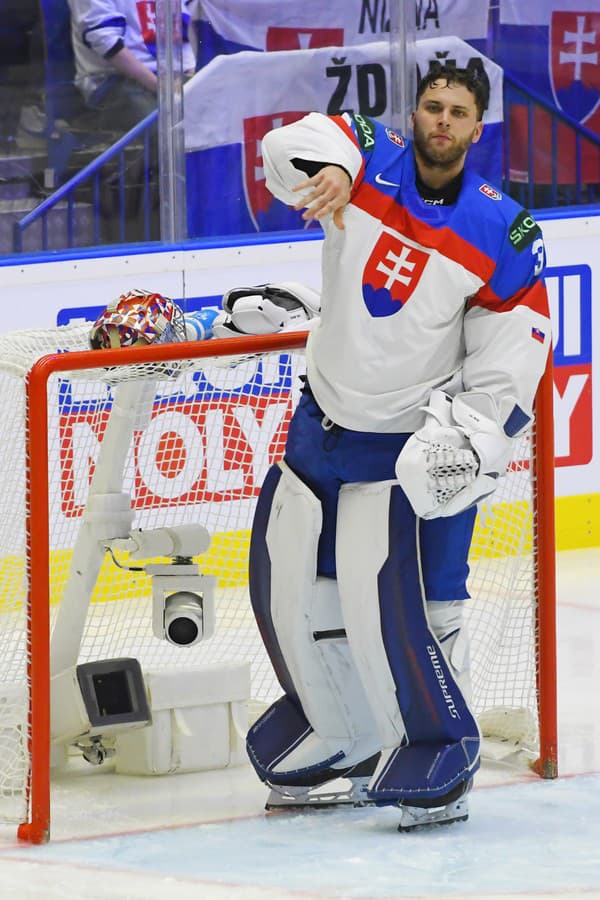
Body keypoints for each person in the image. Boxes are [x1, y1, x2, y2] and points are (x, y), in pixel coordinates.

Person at [244, 65, 552, 830]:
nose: (441, 121)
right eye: (432, 106)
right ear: (413, 113)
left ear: (478, 128)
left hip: (408, 445)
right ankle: (340, 731)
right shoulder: (365, 154)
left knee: (418, 609)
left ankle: (441, 747)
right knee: (293, 587)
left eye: (458, 112)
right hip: (323, 424)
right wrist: (336, 170)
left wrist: (473, 438)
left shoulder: (503, 228)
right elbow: (292, 145)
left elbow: (516, 348)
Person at [67, 0, 196, 239]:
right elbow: (106, 42)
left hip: (167, 80)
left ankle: (200, 223)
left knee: (210, 117)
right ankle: (161, 234)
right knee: (170, 131)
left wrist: (189, 76)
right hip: (112, 81)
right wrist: (163, 88)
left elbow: (181, 28)